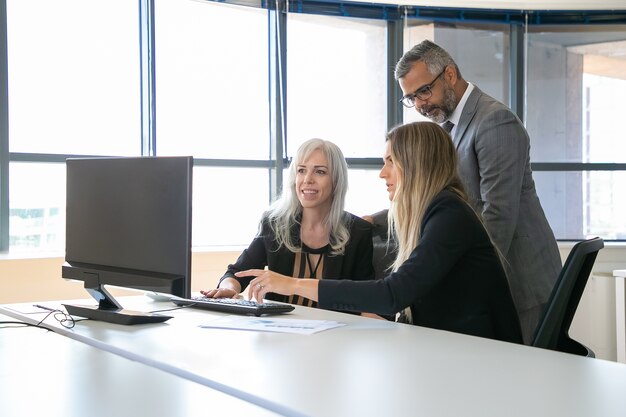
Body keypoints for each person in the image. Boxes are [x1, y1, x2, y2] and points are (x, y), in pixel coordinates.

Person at [239, 122, 523, 344]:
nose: (382, 173)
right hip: (449, 350)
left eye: (390, 162)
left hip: (484, 359)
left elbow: (393, 294)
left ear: (414, 164)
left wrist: (292, 285)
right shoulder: (434, 212)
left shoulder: (449, 215)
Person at [378, 40, 561, 344]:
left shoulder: (493, 121)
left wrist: (450, 279)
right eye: (410, 98)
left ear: (449, 74)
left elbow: (498, 216)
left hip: (521, 281)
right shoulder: (449, 127)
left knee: (523, 383)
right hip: (493, 281)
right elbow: (432, 196)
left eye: (423, 91)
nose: (420, 104)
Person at [201, 138, 375, 310]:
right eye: (301, 170)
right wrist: (229, 288)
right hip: (279, 333)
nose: (307, 179)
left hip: (336, 334)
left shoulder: (358, 232)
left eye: (320, 172)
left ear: (336, 180)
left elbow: (367, 298)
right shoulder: (274, 224)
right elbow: (238, 272)